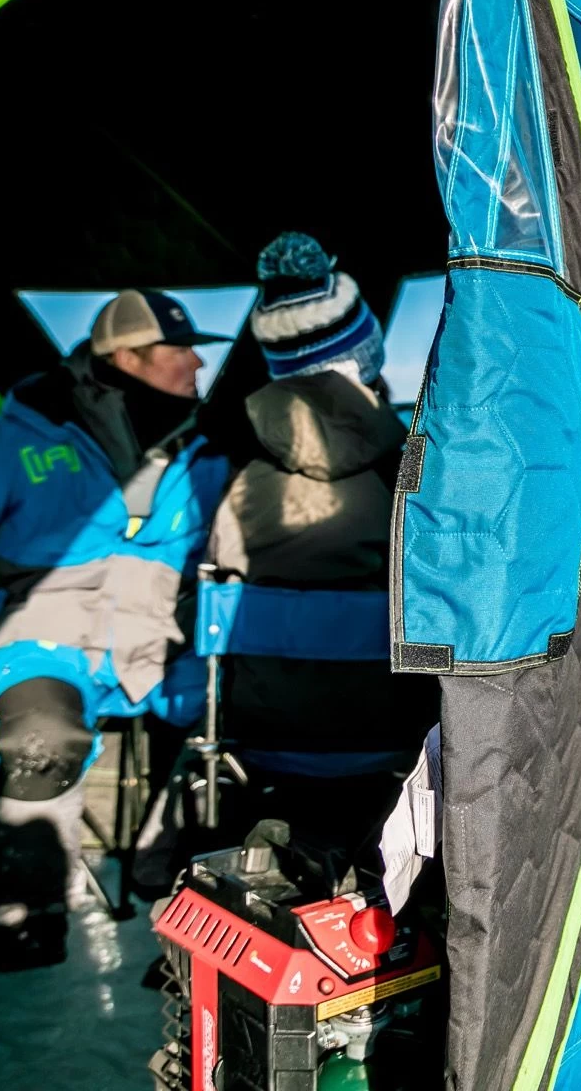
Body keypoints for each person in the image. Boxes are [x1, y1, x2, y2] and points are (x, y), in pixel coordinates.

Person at [0, 290, 231, 971]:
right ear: (127, 357)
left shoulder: (203, 456)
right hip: (46, 647)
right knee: (42, 735)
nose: (197, 366)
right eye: (180, 351)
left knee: (237, 722)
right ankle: (27, 911)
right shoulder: (16, 445)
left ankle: (178, 900)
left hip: (160, 649)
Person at [198, 231, 437, 850]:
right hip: (402, 749)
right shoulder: (422, 463)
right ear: (365, 349)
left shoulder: (215, 469)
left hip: (258, 747)